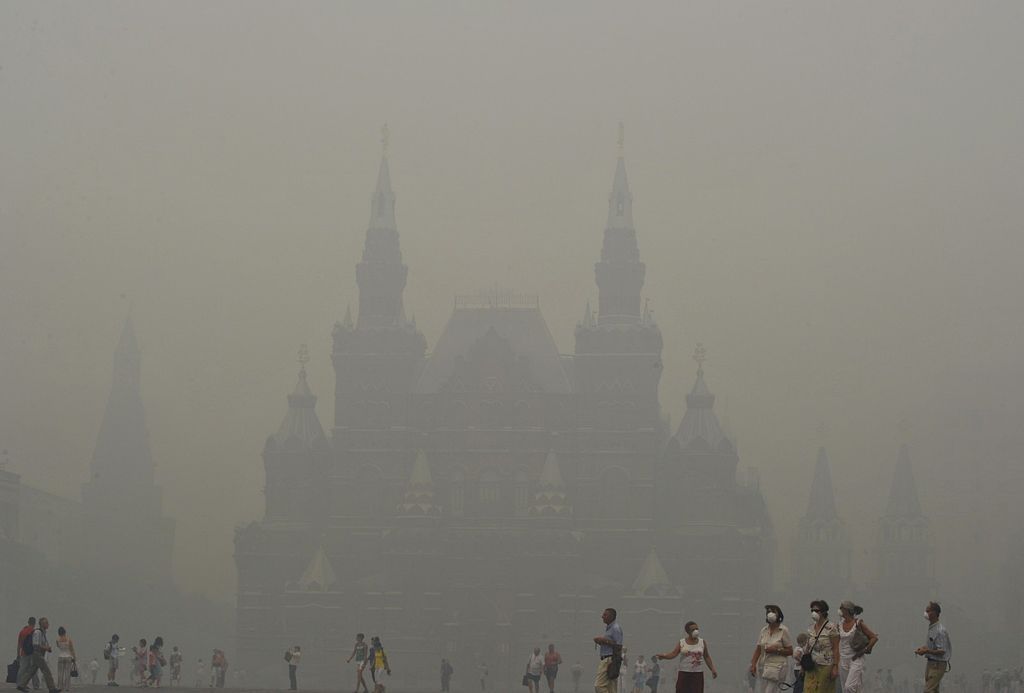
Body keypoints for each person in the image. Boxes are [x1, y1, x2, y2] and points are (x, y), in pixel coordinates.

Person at [654, 620, 718, 693]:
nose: (696, 631)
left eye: (697, 629)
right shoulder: (682, 642)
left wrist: (712, 669)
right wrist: (664, 656)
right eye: (693, 629)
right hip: (684, 673)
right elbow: (673, 654)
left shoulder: (702, 642)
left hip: (697, 674)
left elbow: (706, 656)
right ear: (688, 631)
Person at [750, 605, 793, 693]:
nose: (770, 614)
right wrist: (753, 664)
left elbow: (790, 651)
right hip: (763, 666)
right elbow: (758, 649)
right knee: (763, 690)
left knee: (770, 691)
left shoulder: (783, 630)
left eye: (773, 612)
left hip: (778, 667)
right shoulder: (764, 630)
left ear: (779, 615)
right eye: (769, 612)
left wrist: (776, 650)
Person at [837, 601, 878, 693]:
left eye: (841, 608)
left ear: (847, 610)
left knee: (849, 687)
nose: (839, 610)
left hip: (856, 659)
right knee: (847, 688)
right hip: (843, 659)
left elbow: (874, 638)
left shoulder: (858, 623)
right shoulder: (839, 625)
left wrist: (865, 650)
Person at [803, 600, 840, 693]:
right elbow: (807, 647)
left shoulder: (831, 628)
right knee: (809, 689)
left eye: (816, 610)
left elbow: (836, 648)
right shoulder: (810, 628)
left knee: (822, 690)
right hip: (812, 665)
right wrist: (802, 665)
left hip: (826, 665)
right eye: (812, 610)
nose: (813, 613)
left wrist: (835, 667)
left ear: (823, 612)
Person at [915, 601, 951, 693]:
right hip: (931, 663)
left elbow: (942, 650)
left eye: (928, 611)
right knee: (933, 690)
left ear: (934, 613)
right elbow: (932, 645)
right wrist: (923, 649)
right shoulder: (932, 627)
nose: (925, 613)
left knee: (928, 690)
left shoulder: (940, 630)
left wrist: (927, 651)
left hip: (938, 664)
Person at [16, 616, 58, 693]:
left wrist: (46, 648)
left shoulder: (42, 633)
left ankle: (21, 685)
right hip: (37, 654)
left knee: (32, 670)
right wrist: (46, 648)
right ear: (42, 624)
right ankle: (52, 688)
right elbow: (35, 645)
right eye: (46, 623)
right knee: (46, 670)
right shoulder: (37, 632)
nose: (48, 624)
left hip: (38, 654)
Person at [593, 607, 624, 693]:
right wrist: (601, 642)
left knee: (599, 686)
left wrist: (604, 640)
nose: (602, 616)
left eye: (605, 615)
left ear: (611, 616)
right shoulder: (609, 628)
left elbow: (618, 646)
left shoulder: (615, 628)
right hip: (609, 659)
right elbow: (612, 643)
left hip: (609, 660)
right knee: (612, 689)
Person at [16, 618, 38, 691]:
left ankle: (19, 684)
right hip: (32, 653)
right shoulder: (34, 631)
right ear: (34, 623)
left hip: (24, 652)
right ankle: (36, 685)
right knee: (33, 669)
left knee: (22, 669)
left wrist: (18, 654)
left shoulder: (22, 631)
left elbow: (19, 644)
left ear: (28, 622)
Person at [54, 627, 77, 691]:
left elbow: (58, 647)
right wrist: (74, 657)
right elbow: (72, 649)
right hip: (68, 656)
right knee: (67, 673)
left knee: (60, 673)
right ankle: (67, 687)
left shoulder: (57, 640)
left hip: (60, 656)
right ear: (65, 632)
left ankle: (59, 687)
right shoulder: (69, 639)